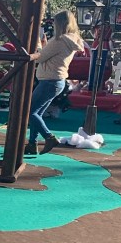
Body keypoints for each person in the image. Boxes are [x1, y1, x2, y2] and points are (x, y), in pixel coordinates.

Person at [25, 10, 84, 156]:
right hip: (57, 81)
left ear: (59, 24)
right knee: (37, 113)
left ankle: (49, 137)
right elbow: (47, 55)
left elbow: (40, 58)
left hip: (49, 80)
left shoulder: (59, 41)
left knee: (30, 112)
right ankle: (32, 143)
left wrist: (38, 44)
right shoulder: (71, 41)